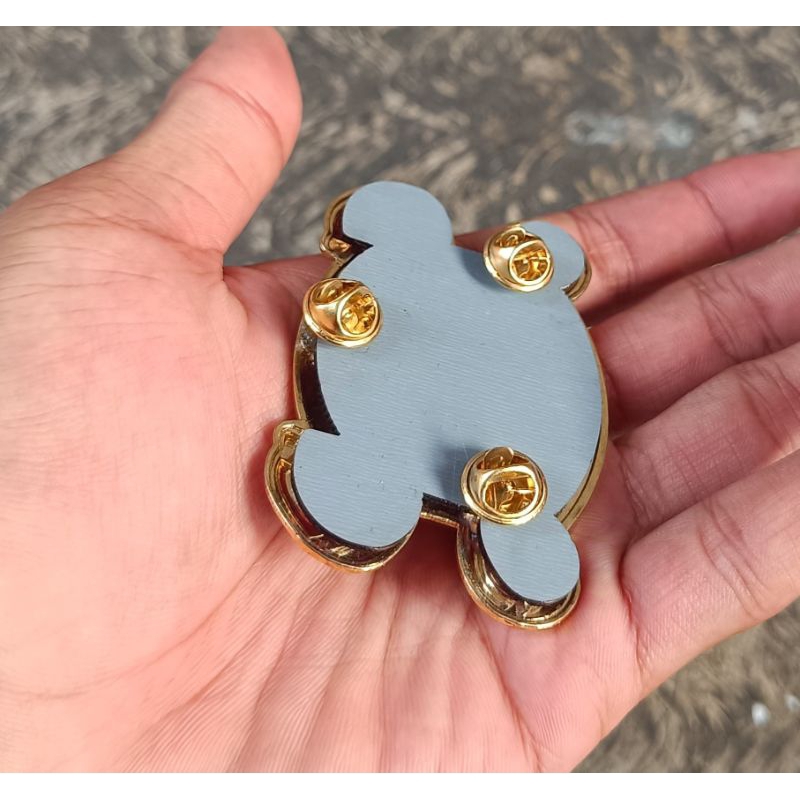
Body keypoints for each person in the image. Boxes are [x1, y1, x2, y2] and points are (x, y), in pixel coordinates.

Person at [1, 26, 799, 772]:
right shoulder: (420, 284)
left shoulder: (447, 290)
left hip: (469, 433)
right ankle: (403, 498)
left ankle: (431, 505)